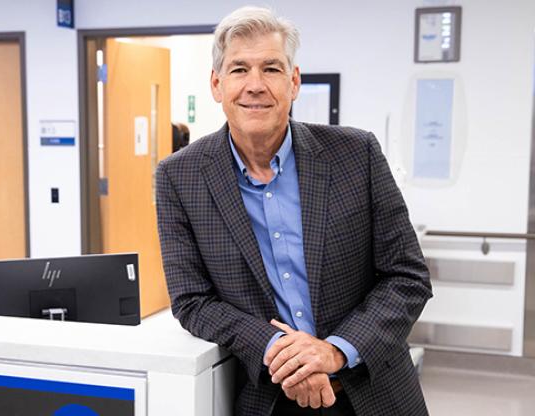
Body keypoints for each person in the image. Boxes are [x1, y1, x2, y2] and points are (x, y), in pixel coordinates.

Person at [155, 6, 432, 416]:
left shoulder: (357, 154)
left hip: (375, 389)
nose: (255, 85)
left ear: (294, 81)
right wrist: (282, 352)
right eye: (238, 70)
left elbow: (407, 277)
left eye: (271, 68)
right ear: (216, 85)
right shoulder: (179, 177)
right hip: (271, 397)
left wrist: (335, 351)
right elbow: (192, 300)